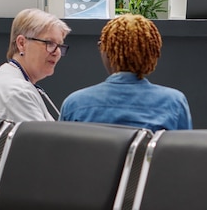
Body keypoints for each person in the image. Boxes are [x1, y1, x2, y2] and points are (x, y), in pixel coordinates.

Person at [59, 14, 192, 132]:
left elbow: (62, 156)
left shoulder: (75, 104)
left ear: (106, 50)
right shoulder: (174, 103)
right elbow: (182, 156)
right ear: (152, 52)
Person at [0, 8, 71, 122]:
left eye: (60, 45)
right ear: (22, 43)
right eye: (50, 43)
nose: (57, 52)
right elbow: (43, 139)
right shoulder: (15, 92)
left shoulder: (10, 80)